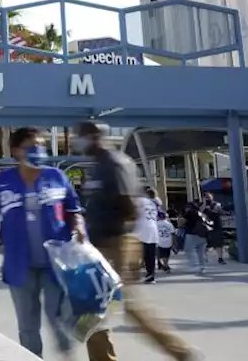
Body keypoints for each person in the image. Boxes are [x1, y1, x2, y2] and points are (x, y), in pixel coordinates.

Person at [72, 121, 196, 361]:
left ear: (96, 136)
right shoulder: (97, 167)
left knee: (119, 306)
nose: (79, 140)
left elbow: (130, 206)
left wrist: (123, 247)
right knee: (101, 308)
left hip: (115, 243)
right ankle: (181, 353)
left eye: (83, 135)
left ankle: (182, 353)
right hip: (100, 247)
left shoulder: (115, 164)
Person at [0, 127, 83, 358]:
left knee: (59, 320)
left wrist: (80, 228)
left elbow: (74, 210)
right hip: (19, 264)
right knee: (27, 325)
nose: (38, 150)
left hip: (56, 263)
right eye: (31, 146)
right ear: (15, 151)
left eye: (41, 145)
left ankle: (67, 356)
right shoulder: (2, 182)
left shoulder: (57, 177)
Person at [135, 188, 163, 284]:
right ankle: (151, 276)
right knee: (150, 256)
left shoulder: (140, 201)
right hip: (153, 230)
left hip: (142, 230)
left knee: (137, 254)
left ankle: (133, 275)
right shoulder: (155, 203)